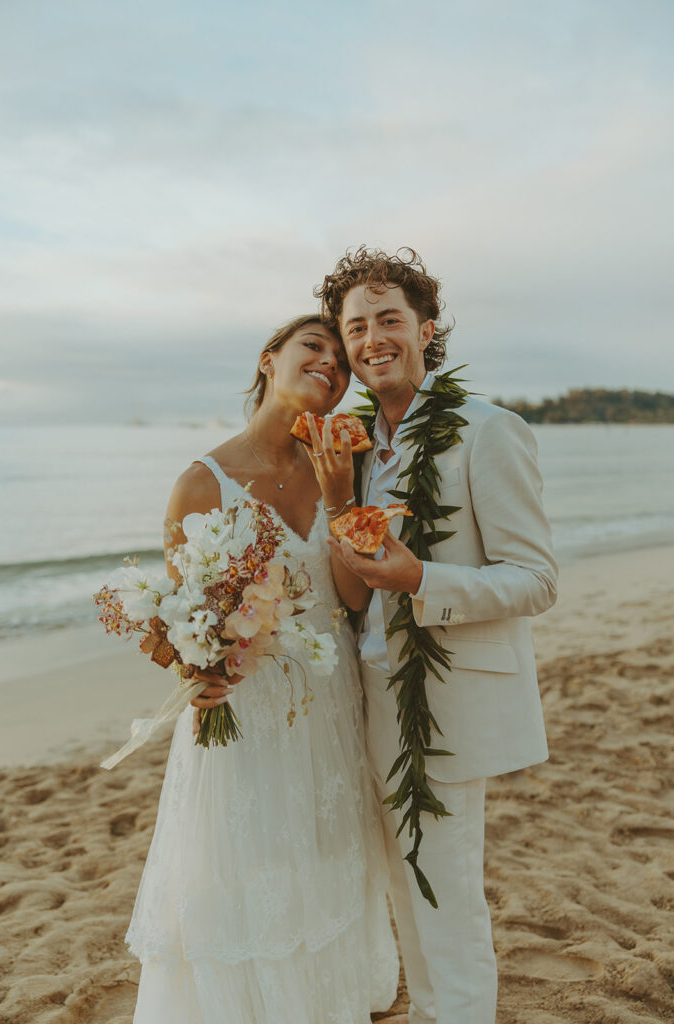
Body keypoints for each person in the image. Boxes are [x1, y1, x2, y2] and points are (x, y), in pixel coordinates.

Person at [127, 314, 399, 1023]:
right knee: (242, 876)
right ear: (268, 358)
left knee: (324, 865)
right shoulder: (201, 482)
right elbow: (177, 622)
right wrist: (198, 672)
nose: (331, 366)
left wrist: (341, 499)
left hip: (330, 694)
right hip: (244, 709)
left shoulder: (345, 465)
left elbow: (352, 596)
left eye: (341, 363)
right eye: (315, 347)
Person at [314, 247, 558, 1024]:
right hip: (368, 689)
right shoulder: (345, 444)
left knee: (444, 887)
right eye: (357, 326)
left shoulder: (487, 432)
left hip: (447, 700)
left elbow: (535, 579)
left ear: (425, 329)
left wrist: (421, 580)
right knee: (401, 879)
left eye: (389, 319)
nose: (373, 337)